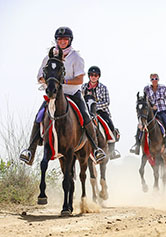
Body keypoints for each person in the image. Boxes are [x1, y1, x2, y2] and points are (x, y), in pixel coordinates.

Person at [19, 26, 106, 165]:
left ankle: (96, 150)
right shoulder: (49, 57)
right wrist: (49, 81)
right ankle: (30, 151)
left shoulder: (76, 57)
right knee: (39, 116)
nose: (62, 41)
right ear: (56, 40)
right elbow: (40, 77)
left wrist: (63, 81)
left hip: (72, 93)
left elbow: (80, 80)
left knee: (86, 116)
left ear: (70, 40)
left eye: (65, 39)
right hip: (54, 94)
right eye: (60, 39)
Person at [82, 66, 121, 160]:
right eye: (91, 75)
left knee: (110, 126)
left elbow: (107, 102)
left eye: (95, 75)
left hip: (101, 112)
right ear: (89, 76)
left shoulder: (103, 88)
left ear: (98, 76)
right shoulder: (83, 87)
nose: (93, 77)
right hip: (87, 112)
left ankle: (112, 151)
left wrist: (95, 107)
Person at [130, 73, 166, 155]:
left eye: (156, 79)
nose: (154, 81)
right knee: (140, 125)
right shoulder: (146, 89)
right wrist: (152, 106)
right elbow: (146, 101)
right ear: (150, 80)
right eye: (152, 79)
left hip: (162, 110)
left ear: (158, 79)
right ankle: (137, 145)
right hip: (151, 111)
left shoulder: (163, 88)